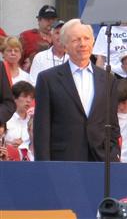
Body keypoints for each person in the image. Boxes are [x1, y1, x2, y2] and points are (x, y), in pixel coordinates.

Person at [34, 18, 120, 161]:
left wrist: (113, 154)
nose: (82, 44)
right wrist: (44, 167)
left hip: (100, 160)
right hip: (63, 160)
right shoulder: (48, 79)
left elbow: (112, 124)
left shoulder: (108, 80)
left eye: (86, 38)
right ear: (65, 45)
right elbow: (41, 129)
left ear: (93, 42)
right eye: (75, 40)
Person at [29, 19, 68, 84]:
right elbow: (33, 83)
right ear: (51, 36)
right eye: (57, 33)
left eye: (63, 33)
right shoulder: (40, 57)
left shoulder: (74, 57)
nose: (60, 36)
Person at [19, 5, 58, 70]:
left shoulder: (60, 38)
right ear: (39, 20)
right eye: (47, 19)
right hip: (31, 77)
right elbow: (16, 60)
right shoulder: (27, 36)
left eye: (53, 20)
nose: (51, 23)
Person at [5, 81, 34, 149]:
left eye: (31, 97)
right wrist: (9, 144)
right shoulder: (5, 118)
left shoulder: (32, 120)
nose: (29, 101)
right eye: (25, 96)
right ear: (14, 97)